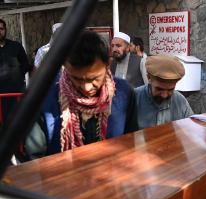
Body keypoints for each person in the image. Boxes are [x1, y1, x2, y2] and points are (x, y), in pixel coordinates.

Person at [25, 31, 138, 159]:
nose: (86, 88)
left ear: (108, 65)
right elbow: (35, 159)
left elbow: (131, 143)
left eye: (94, 78)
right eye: (77, 79)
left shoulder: (124, 93)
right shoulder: (43, 100)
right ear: (65, 68)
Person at [135, 55, 194, 128]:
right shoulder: (134, 98)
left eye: (170, 90)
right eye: (159, 89)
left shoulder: (180, 101)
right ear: (149, 78)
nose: (164, 95)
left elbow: (191, 128)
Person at [0, 18, 29, 122]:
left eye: (1, 28)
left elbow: (25, 64)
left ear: (5, 30)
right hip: (0, 96)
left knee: (18, 121)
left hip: (15, 93)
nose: (0, 31)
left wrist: (18, 75)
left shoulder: (16, 46)